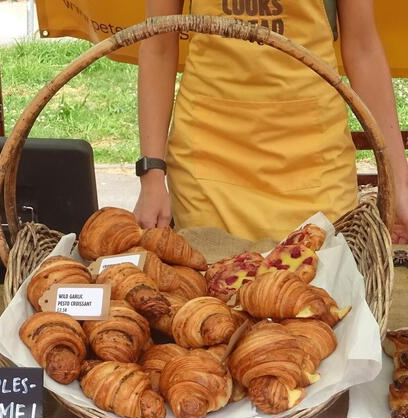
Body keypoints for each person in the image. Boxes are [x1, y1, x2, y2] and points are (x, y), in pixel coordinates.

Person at [133, 0, 408, 244]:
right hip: (209, 163)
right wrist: (152, 175)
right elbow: (158, 47)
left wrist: (399, 183)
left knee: (322, 295)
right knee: (214, 289)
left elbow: (363, 49)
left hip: (314, 158)